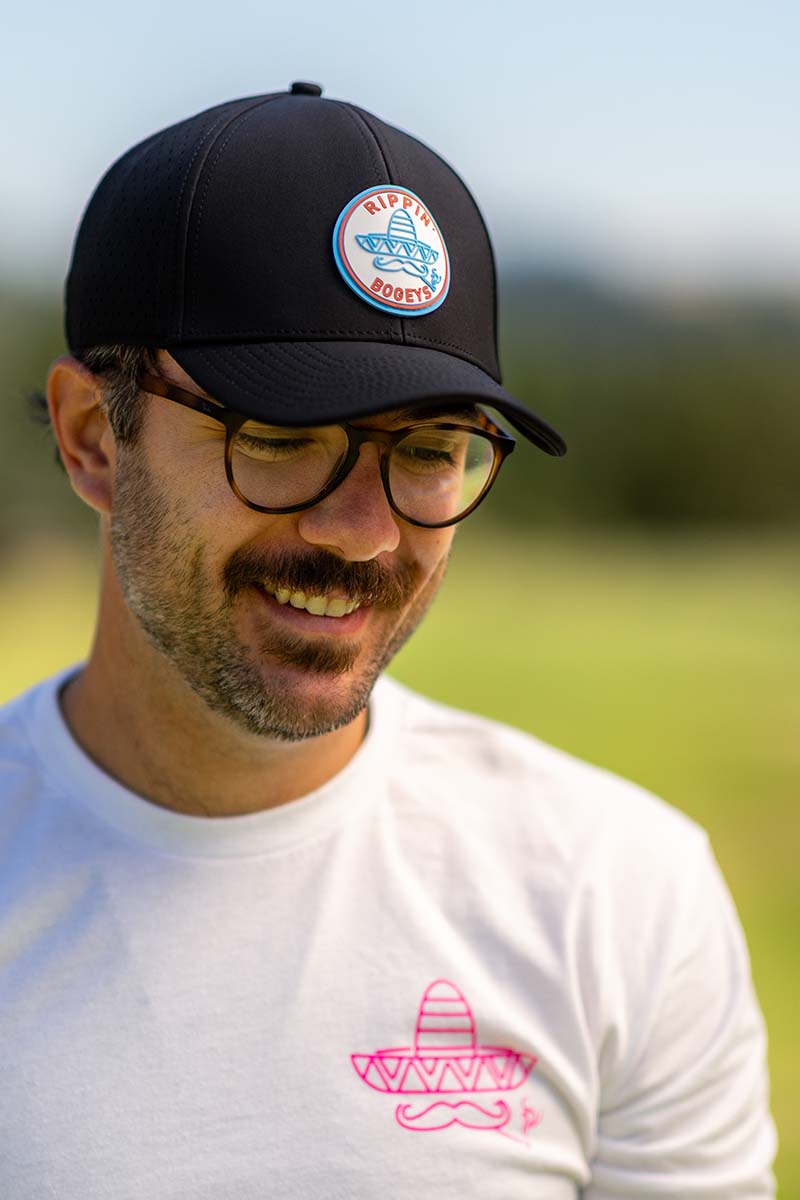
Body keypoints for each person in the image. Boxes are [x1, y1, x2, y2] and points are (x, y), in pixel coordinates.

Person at [0, 83, 776, 1198]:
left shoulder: (616, 896)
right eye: (277, 435)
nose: (362, 534)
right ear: (92, 440)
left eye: (428, 448)